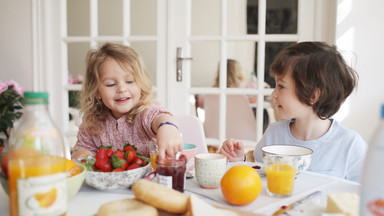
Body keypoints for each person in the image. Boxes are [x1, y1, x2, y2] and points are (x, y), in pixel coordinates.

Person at [219, 41, 367, 182]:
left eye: (281, 86)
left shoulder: (350, 145)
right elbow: (259, 174)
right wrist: (240, 161)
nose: (273, 94)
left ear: (313, 96)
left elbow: (368, 196)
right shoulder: (273, 134)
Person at [71, 43, 183, 160]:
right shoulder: (92, 123)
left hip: (148, 177)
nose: (122, 89)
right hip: (109, 178)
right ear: (97, 91)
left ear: (140, 83)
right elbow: (82, 149)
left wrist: (167, 127)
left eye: (129, 81)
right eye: (111, 84)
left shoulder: (145, 112)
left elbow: (161, 116)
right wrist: (83, 156)